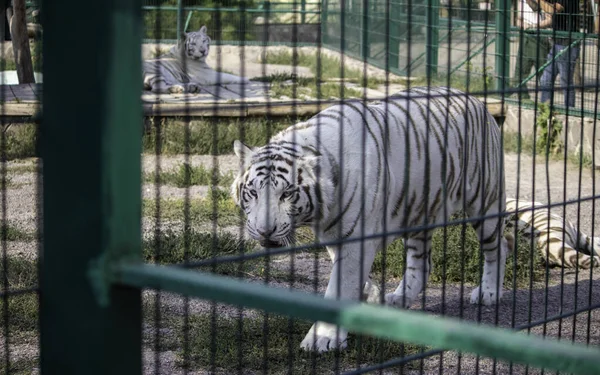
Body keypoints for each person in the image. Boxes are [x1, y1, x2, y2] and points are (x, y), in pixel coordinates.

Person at [512, 0, 561, 100]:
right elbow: (518, 18)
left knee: (543, 75)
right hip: (525, 36)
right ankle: (524, 100)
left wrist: (534, 26)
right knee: (519, 75)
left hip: (540, 38)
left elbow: (550, 19)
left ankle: (546, 104)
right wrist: (521, 24)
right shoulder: (520, 2)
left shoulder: (543, 2)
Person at [540, 0, 581, 107]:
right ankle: (545, 108)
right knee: (546, 79)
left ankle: (569, 110)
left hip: (567, 43)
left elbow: (553, 10)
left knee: (565, 81)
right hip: (557, 42)